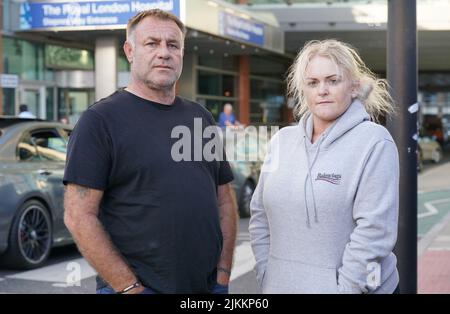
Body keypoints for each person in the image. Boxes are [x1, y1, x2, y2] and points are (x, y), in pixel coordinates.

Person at [63, 9, 238, 294]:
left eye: (173, 45)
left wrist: (222, 275)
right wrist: (130, 288)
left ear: (182, 53)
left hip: (206, 288)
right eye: (152, 43)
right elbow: (78, 215)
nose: (164, 53)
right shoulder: (100, 121)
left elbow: (224, 201)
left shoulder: (200, 118)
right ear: (130, 51)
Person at [249, 39, 399, 294]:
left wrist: (345, 290)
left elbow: (374, 233)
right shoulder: (281, 142)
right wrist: (267, 273)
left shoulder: (374, 142)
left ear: (353, 87)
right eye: (313, 83)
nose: (322, 90)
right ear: (303, 90)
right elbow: (259, 215)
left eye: (333, 80)